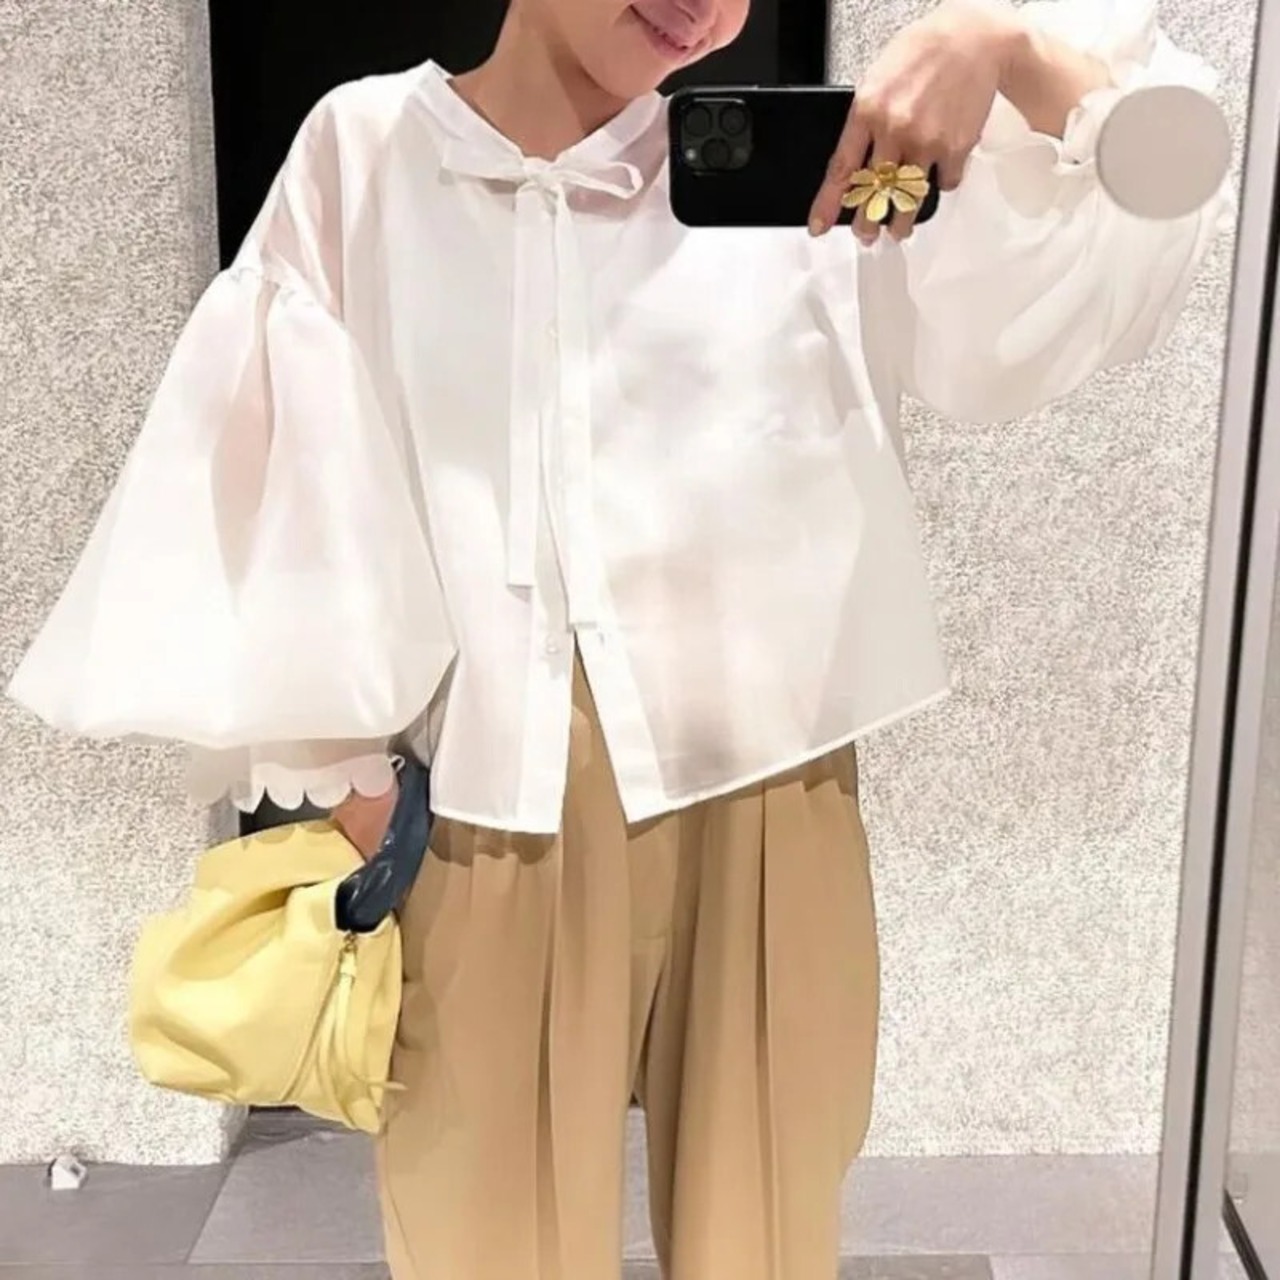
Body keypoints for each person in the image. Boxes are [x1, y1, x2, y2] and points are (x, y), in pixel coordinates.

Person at [7, 0, 1233, 1276]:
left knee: (762, 1234)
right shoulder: (366, 154)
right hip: (490, 800)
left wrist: (1004, 51)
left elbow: (1114, 233)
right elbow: (284, 477)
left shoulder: (812, 175)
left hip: (774, 787)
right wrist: (356, 786)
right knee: (488, 1241)